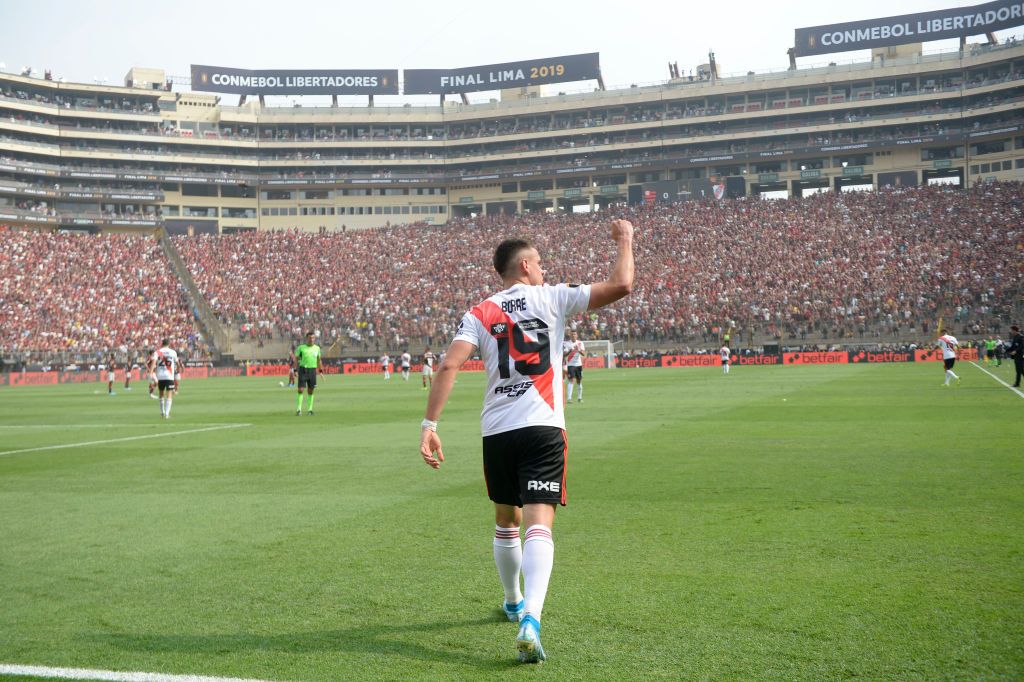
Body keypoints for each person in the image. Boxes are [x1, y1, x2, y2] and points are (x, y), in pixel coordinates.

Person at [419, 219, 635, 663]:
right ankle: (531, 617)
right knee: (539, 522)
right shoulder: (551, 296)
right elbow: (622, 285)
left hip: (497, 431)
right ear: (524, 265)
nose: (544, 270)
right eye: (540, 263)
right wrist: (626, 239)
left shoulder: (479, 312)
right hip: (542, 426)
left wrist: (430, 426)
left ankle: (513, 599)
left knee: (505, 519)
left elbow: (448, 367)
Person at [294, 331, 322, 415]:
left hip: (312, 371)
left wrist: (320, 370)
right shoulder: (301, 348)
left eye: (313, 338)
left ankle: (310, 410)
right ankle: (299, 410)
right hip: (303, 370)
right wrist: (295, 370)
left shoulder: (317, 348)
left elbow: (319, 360)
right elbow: (296, 359)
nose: (311, 339)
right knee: (300, 389)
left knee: (310, 391)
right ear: (307, 338)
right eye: (310, 338)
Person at [154, 339, 179, 418]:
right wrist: (178, 369)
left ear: (162, 343)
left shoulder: (157, 352)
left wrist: (152, 372)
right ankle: (167, 414)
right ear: (169, 344)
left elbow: (154, 363)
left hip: (160, 376)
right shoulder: (173, 352)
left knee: (161, 394)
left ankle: (162, 413)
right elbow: (177, 362)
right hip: (169, 376)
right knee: (169, 394)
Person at [564, 331, 585, 402]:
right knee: (571, 380)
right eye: (572, 334)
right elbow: (564, 355)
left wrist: (578, 349)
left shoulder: (580, 343)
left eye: (575, 334)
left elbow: (583, 354)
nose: (573, 335)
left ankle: (579, 398)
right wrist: (570, 350)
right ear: (570, 335)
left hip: (579, 365)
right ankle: (569, 398)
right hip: (570, 365)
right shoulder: (567, 343)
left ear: (577, 335)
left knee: (579, 381)